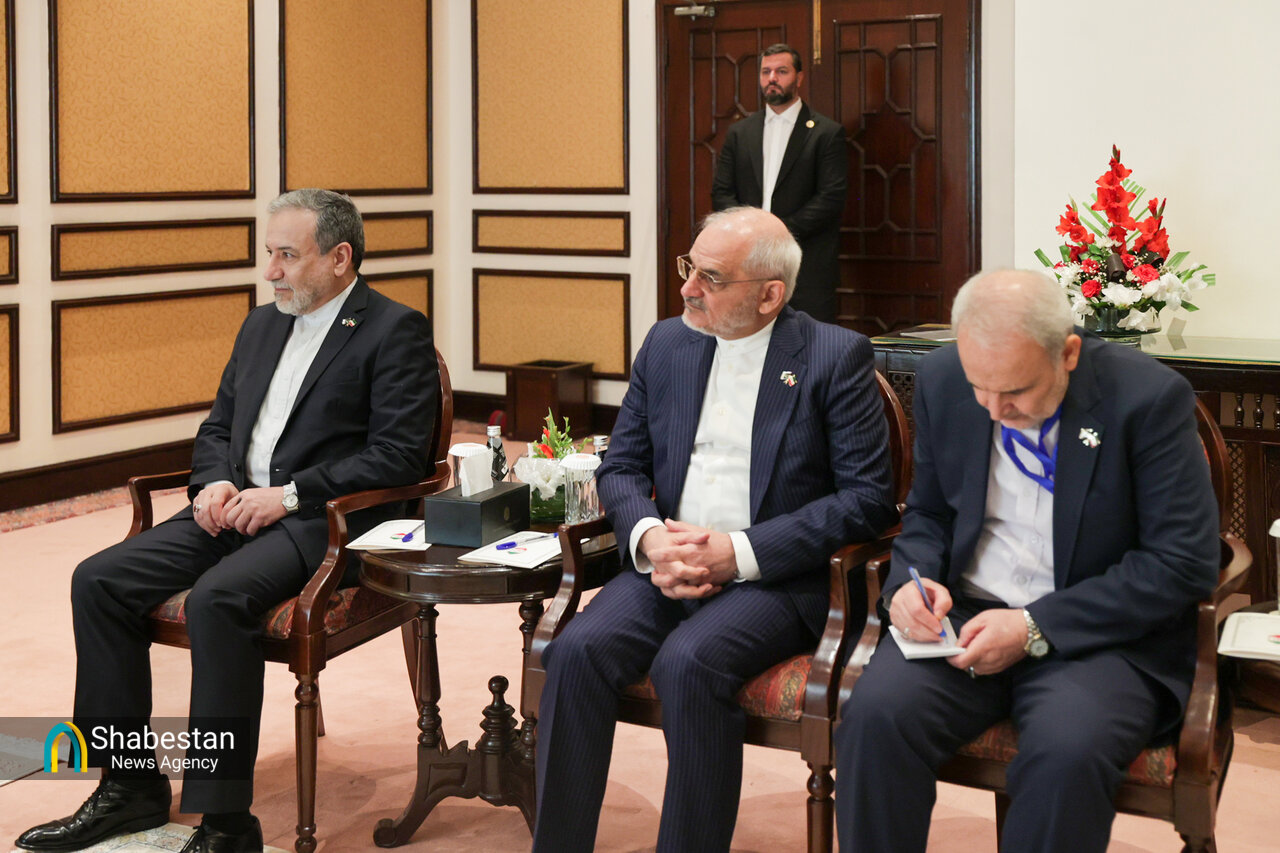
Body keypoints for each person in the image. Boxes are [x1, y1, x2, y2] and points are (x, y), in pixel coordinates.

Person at [16, 189, 439, 853]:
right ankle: (129, 787)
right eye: (269, 252)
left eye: (287, 255)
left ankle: (225, 822)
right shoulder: (261, 325)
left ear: (339, 258)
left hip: (320, 522)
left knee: (217, 599)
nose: (270, 270)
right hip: (233, 507)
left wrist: (289, 495)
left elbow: (398, 455)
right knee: (98, 580)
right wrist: (212, 480)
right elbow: (218, 426)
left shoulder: (394, 329)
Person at [533, 206, 897, 852]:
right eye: (689, 267)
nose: (687, 288)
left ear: (770, 295)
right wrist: (650, 539)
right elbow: (622, 466)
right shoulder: (667, 344)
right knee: (575, 651)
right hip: (666, 557)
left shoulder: (833, 357)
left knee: (688, 663)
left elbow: (867, 500)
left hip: (775, 578)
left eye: (711, 277)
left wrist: (739, 552)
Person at [834, 269, 1220, 853]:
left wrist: (1034, 626)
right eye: (980, 388)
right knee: (875, 719)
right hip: (966, 618)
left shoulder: (1148, 398)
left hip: (1098, 638)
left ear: (1068, 353)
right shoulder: (943, 378)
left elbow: (1181, 561)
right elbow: (930, 513)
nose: (994, 410)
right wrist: (913, 583)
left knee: (1066, 755)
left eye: (1015, 391)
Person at [711, 43, 848, 324]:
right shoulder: (740, 132)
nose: (772, 78)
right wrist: (749, 234)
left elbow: (831, 197)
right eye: (766, 72)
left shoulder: (826, 132)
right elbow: (722, 193)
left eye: (782, 71)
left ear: (799, 78)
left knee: (809, 342)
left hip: (807, 265)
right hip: (747, 263)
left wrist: (777, 233)